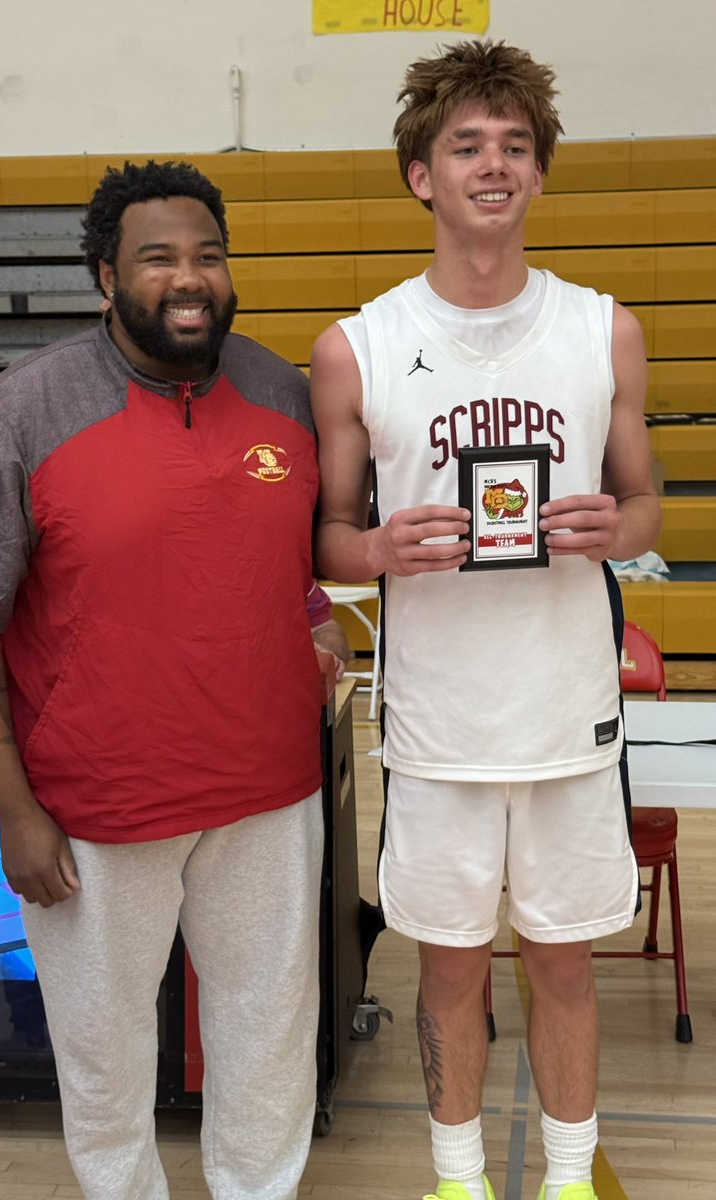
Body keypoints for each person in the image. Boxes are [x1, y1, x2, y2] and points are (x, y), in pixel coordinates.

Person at [0, 159, 348, 1200]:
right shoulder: (20, 412)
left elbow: (292, 569)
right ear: (106, 278)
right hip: (95, 809)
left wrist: (315, 628)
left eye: (208, 254)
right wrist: (13, 810)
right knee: (105, 1061)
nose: (189, 278)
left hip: (266, 794)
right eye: (158, 259)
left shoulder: (286, 394)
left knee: (268, 1044)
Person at [310, 40, 661, 1200]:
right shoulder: (355, 346)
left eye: (515, 145)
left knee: (563, 964)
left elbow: (646, 497)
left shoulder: (602, 329)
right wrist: (373, 551)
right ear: (421, 174)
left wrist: (616, 528)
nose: (493, 164)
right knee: (449, 970)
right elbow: (325, 536)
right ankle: (456, 1180)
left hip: (567, 712)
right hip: (438, 726)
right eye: (466, 145)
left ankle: (567, 1180)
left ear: (540, 174)